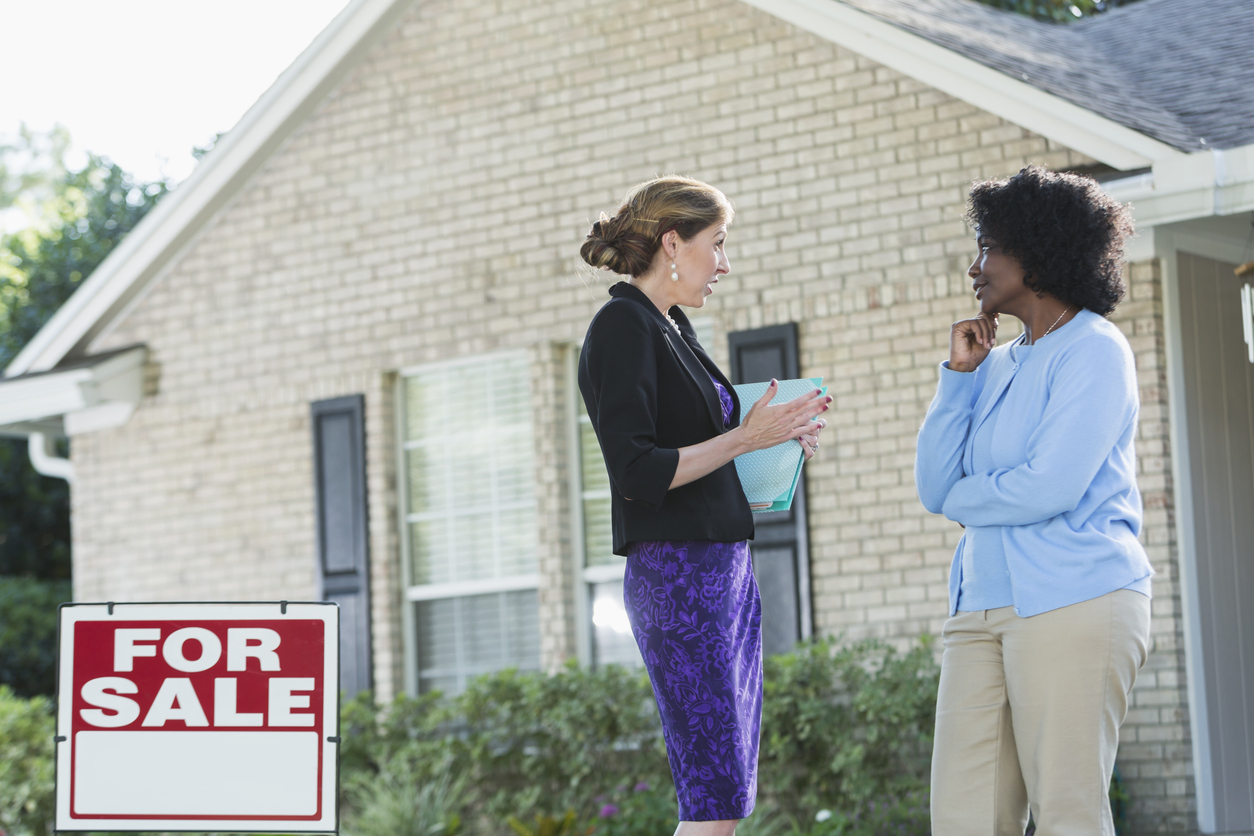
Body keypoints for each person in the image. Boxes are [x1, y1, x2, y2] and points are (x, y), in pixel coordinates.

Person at [577, 176, 830, 835]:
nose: (724, 263)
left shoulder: (672, 327)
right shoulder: (620, 328)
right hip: (680, 578)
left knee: (728, 797)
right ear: (672, 244)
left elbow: (701, 445)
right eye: (717, 245)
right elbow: (637, 472)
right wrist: (746, 435)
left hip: (724, 575)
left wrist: (772, 442)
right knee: (712, 798)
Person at [914, 165, 1154, 836]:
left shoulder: (1097, 351)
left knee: (1067, 815)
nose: (975, 268)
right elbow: (936, 486)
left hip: (1076, 598)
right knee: (964, 818)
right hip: (978, 606)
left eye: (989, 248)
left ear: (1040, 252)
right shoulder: (993, 365)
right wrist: (959, 380)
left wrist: (967, 498)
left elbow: (1052, 486)